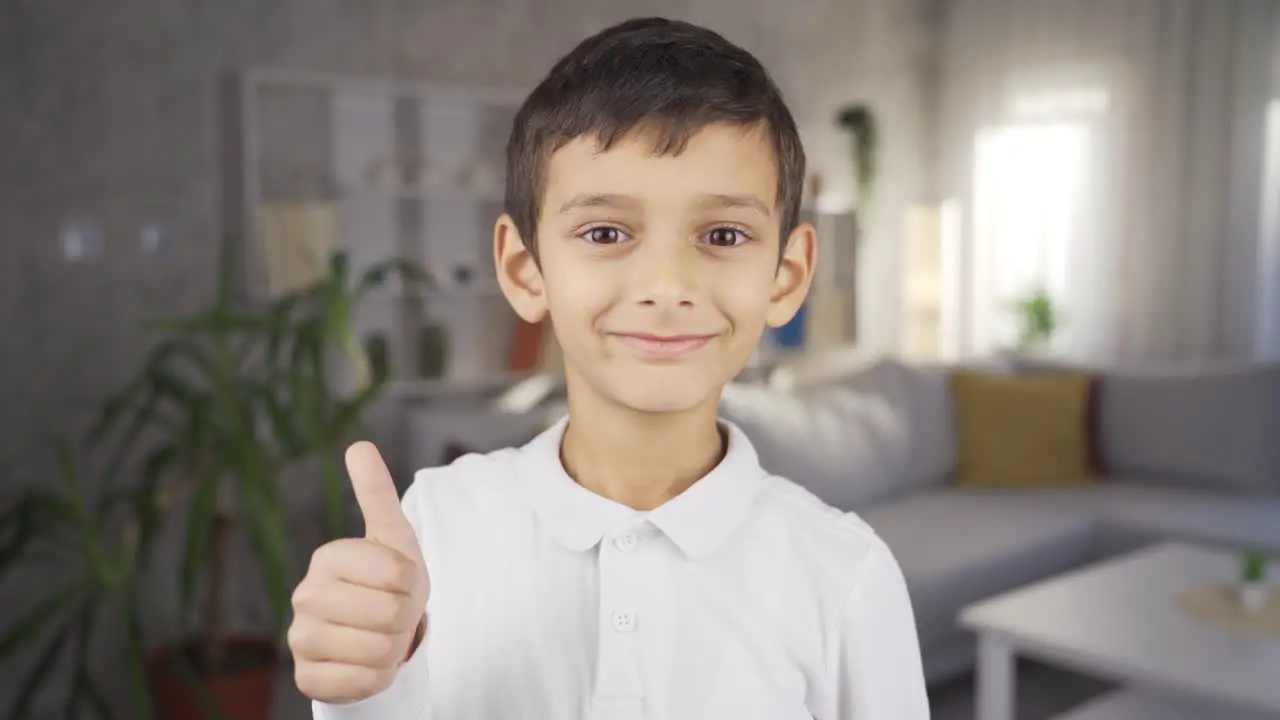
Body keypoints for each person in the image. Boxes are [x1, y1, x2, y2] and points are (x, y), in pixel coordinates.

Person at [288, 16, 929, 720]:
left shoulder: (846, 575)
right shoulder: (437, 523)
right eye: (604, 232)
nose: (664, 283)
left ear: (786, 275)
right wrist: (362, 691)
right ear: (523, 269)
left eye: (722, 234)